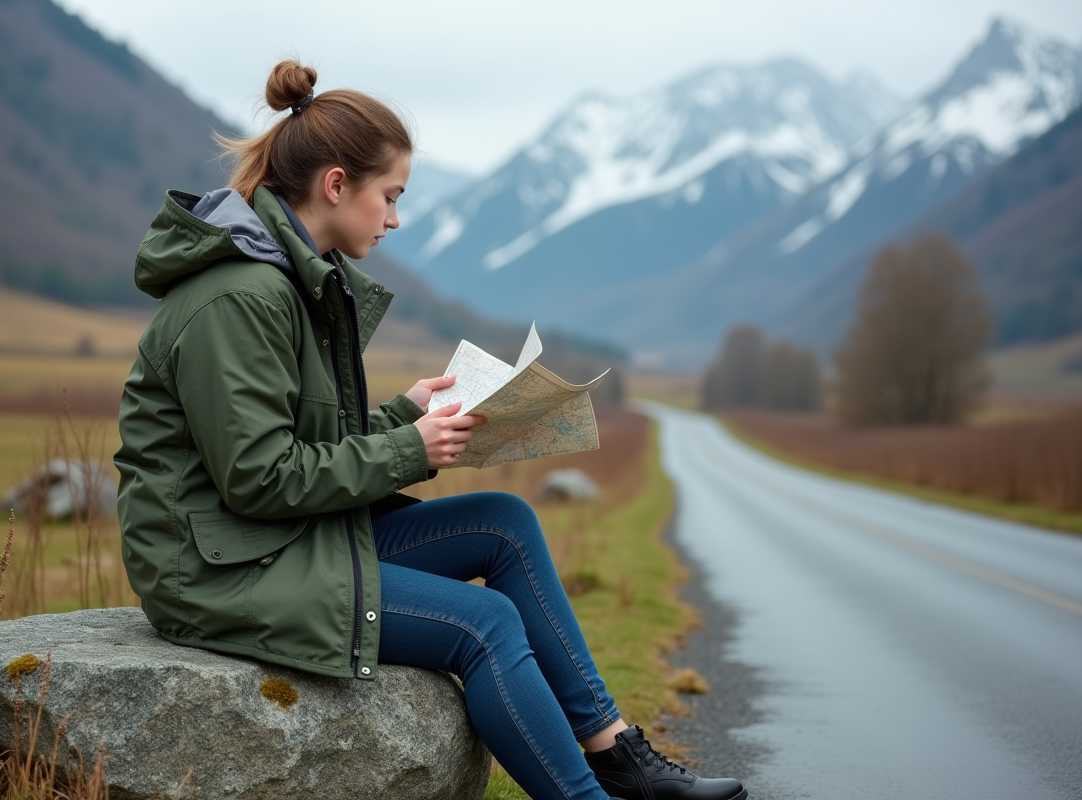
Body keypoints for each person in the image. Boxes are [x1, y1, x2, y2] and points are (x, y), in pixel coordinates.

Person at [114, 58, 747, 800]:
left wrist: (401, 416)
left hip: (276, 540)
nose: (394, 218)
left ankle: (619, 758)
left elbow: (296, 446)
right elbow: (258, 478)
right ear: (336, 184)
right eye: (390, 196)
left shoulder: (293, 276)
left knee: (504, 523)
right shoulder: (242, 297)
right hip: (221, 565)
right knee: (484, 624)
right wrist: (406, 448)